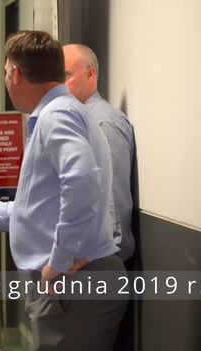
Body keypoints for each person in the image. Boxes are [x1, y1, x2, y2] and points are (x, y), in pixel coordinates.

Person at [0, 31, 127, 350]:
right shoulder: (65, 112)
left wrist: (60, 262)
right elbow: (32, 211)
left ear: (15, 73)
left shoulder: (57, 116)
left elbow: (83, 183)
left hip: (73, 282)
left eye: (5, 71)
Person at [63, 43, 136, 262]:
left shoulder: (104, 123)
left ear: (90, 74)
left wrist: (103, 259)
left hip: (97, 264)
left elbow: (114, 202)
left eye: (66, 76)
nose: (60, 85)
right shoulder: (77, 120)